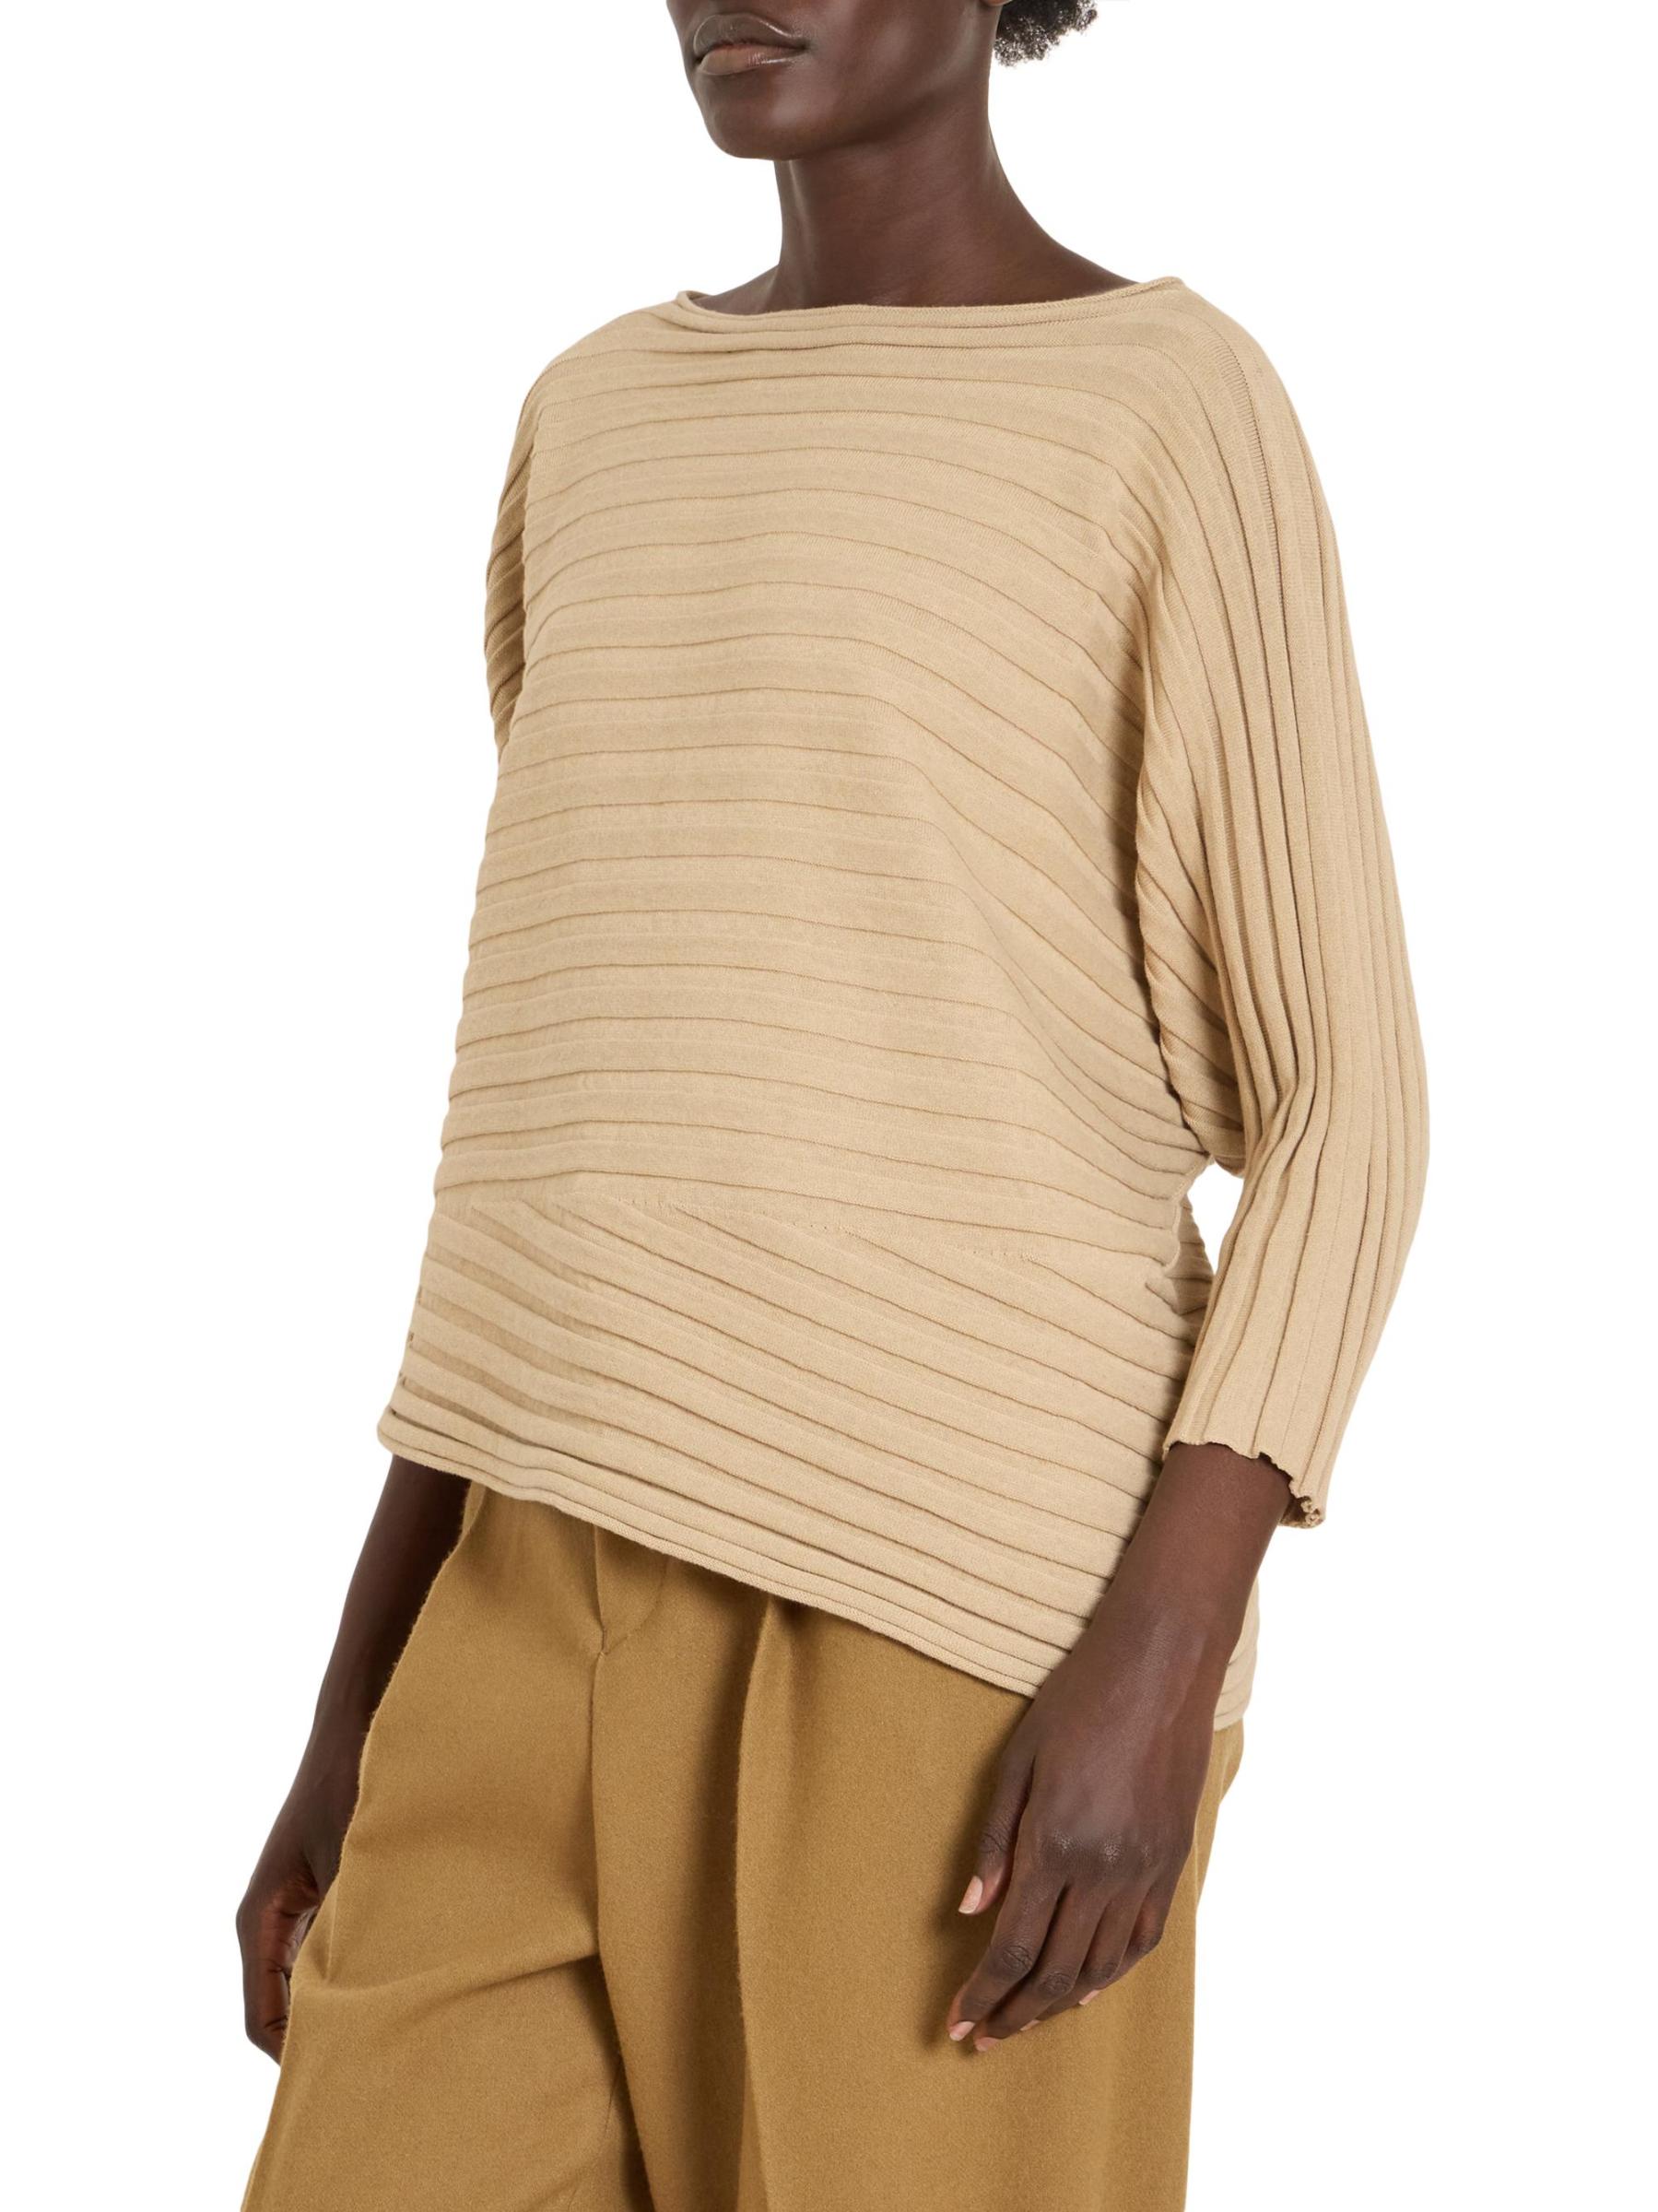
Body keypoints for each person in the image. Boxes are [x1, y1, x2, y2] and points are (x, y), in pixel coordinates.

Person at [236, 3, 1428, 2206]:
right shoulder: (594, 417)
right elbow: (563, 1104)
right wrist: (356, 1703)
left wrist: (1162, 1665)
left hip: (952, 1630)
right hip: (519, 1589)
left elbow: (1347, 1105)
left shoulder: (1165, 408)